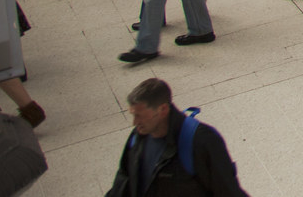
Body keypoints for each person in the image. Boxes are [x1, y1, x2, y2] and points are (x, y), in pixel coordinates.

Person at [104, 77, 246, 196]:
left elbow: (227, 191)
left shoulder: (201, 141)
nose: (135, 122)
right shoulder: (138, 137)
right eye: (133, 115)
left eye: (139, 116)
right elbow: (123, 182)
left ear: (163, 109)